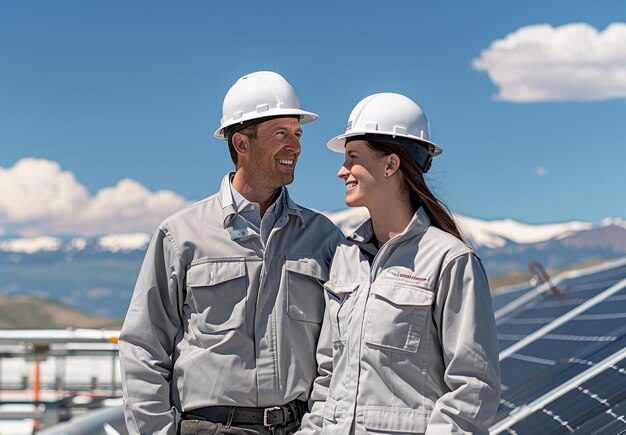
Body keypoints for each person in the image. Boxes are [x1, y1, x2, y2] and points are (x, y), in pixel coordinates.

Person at [119, 71, 344, 435]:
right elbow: (143, 347)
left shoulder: (325, 239)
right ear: (241, 143)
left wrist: (318, 428)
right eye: (281, 134)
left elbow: (338, 352)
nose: (296, 146)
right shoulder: (180, 235)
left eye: (298, 134)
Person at [297, 93, 501, 434]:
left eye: (352, 158)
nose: (340, 171)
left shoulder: (450, 260)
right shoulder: (346, 257)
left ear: (391, 165)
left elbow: (473, 389)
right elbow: (329, 376)